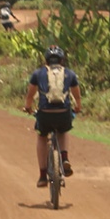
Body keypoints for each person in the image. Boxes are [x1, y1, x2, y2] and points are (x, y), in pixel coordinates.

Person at [22, 45, 81, 188]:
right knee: (63, 130)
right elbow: (77, 96)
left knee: (42, 137)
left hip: (45, 114)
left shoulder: (38, 74)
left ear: (46, 60)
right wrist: (77, 107)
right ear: (61, 60)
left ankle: (42, 176)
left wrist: (28, 107)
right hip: (63, 113)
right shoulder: (70, 74)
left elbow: (30, 95)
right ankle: (65, 157)